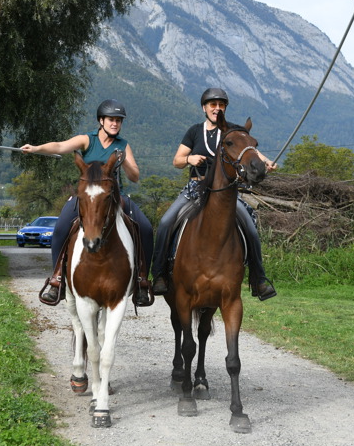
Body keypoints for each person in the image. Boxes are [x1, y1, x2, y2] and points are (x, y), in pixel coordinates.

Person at [21, 99, 154, 307]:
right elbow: (60, 146)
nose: (115, 124)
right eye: (111, 119)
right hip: (84, 197)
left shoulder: (123, 145)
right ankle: (57, 279)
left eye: (119, 121)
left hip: (113, 198)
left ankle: (142, 281)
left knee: (145, 228)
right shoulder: (87, 140)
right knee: (61, 228)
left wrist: (124, 160)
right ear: (101, 120)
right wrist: (36, 148)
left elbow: (135, 176)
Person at [150, 87, 277, 301]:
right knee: (165, 222)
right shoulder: (194, 131)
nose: (217, 108)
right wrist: (189, 159)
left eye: (221, 105)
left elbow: (250, 150)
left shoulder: (233, 130)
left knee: (251, 229)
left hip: (225, 193)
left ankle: (259, 279)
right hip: (195, 189)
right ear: (204, 108)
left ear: (225, 108)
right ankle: (159, 275)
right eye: (213, 105)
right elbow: (177, 160)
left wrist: (266, 162)